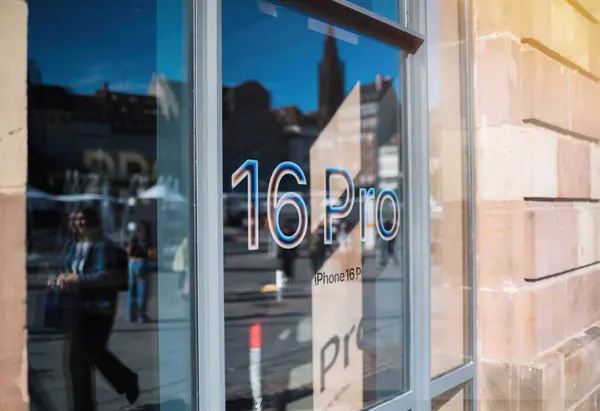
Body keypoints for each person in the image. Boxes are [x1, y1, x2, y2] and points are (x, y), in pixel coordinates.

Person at [48, 207, 139, 411]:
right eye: (75, 219)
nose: (78, 223)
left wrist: (78, 280)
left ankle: (126, 380)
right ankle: (124, 382)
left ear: (93, 221)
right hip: (77, 310)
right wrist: (56, 279)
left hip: (100, 310)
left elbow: (109, 277)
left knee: (91, 354)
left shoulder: (105, 247)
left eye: (82, 219)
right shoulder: (72, 247)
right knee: (78, 363)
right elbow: (59, 269)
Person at [127, 221, 151, 323]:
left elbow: (128, 251)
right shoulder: (146, 239)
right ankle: (141, 316)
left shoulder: (133, 238)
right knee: (142, 291)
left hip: (132, 263)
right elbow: (150, 254)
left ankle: (131, 315)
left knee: (131, 290)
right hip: (142, 262)